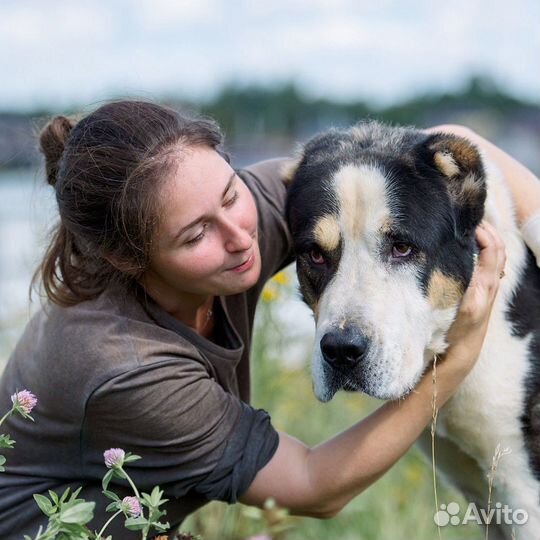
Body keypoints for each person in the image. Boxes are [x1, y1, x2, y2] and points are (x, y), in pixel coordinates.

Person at [0, 100, 538, 539]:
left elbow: (446, 138)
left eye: (232, 193)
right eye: (196, 236)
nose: (241, 236)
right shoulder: (121, 363)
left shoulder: (236, 214)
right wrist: (459, 354)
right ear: (131, 259)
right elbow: (312, 486)